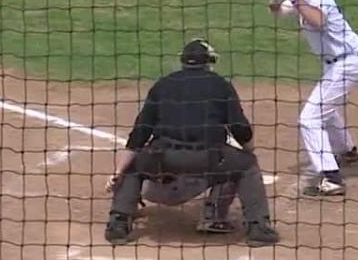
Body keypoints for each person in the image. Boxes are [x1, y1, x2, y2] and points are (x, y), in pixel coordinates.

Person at [103, 39, 280, 247]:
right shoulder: (220, 85)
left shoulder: (163, 84)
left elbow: (139, 134)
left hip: (163, 157)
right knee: (246, 165)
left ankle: (118, 224)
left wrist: (118, 172)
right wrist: (249, 152)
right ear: (209, 62)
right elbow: (239, 127)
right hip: (207, 158)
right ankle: (257, 227)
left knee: (133, 165)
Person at [267, 0, 358, 197]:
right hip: (338, 64)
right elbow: (279, 12)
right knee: (326, 108)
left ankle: (332, 178)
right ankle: (347, 151)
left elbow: (319, 20)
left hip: (348, 62)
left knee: (310, 118)